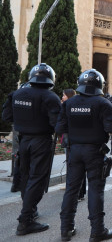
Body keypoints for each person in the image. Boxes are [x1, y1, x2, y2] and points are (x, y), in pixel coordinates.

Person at [57, 69, 112, 242]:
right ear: (99, 84)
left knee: (71, 189)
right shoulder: (103, 103)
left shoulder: (68, 103)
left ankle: (65, 229)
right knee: (95, 190)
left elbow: (59, 128)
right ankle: (97, 231)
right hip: (95, 152)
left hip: (74, 151)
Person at [2, 63, 61, 235]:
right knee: (37, 179)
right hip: (41, 141)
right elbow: (56, 124)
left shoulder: (16, 94)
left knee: (26, 177)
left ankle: (31, 210)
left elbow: (6, 116)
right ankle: (25, 220)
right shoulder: (50, 97)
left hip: (23, 140)